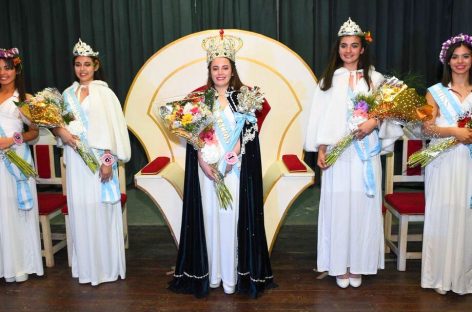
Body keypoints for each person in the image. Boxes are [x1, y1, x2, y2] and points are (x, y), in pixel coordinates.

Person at [168, 30, 275, 298]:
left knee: (233, 216)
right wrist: (205, 164)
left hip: (236, 170)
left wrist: (233, 153)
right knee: (210, 217)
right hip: (208, 170)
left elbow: (250, 131)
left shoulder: (244, 97)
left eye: (225, 67)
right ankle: (212, 273)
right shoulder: (198, 98)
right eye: (215, 68)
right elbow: (194, 135)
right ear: (209, 70)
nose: (220, 72)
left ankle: (233, 274)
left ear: (232, 69)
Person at [304, 18, 401, 288]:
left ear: (362, 49)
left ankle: (358, 263)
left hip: (364, 153)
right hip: (338, 153)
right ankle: (338, 264)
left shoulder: (376, 80)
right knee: (338, 206)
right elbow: (319, 118)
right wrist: (320, 148)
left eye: (354, 46)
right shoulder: (327, 81)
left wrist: (374, 121)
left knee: (361, 206)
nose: (348, 51)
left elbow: (388, 113)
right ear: (338, 49)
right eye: (344, 46)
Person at [53, 39, 131, 286]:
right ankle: (87, 267)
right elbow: (61, 126)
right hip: (77, 162)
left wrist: (108, 161)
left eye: (87, 64)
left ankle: (105, 268)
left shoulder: (105, 94)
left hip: (99, 162)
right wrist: (60, 133)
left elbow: (114, 131)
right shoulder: (66, 94)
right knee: (82, 210)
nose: (83, 69)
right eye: (78, 64)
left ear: (95, 65)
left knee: (100, 210)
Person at [421, 34, 472, 295]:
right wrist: (455, 132)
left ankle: (463, 277)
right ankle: (439, 276)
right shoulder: (434, 93)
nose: (460, 61)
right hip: (442, 161)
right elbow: (427, 128)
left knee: (466, 216)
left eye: (465, 56)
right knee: (442, 214)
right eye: (455, 57)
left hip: (469, 163)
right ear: (447, 61)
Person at [0, 48, 43, 282]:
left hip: (16, 159)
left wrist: (11, 140)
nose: (3, 73)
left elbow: (34, 133)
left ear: (16, 69)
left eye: (7, 68)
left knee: (16, 212)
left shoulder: (24, 100)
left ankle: (21, 265)